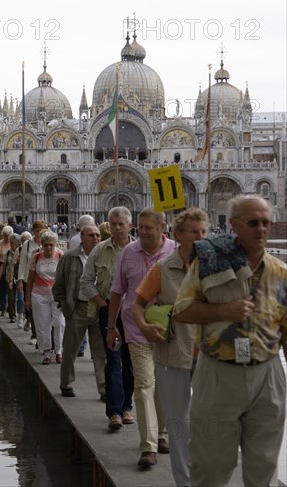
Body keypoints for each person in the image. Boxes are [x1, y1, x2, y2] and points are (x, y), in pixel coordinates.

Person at [173, 195, 287, 487]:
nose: (261, 229)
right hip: (219, 374)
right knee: (211, 466)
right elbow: (182, 310)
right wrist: (223, 311)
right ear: (234, 225)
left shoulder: (281, 272)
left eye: (266, 222)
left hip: (268, 374)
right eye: (253, 222)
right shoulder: (209, 261)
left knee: (264, 466)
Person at [132, 208, 209, 486]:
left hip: (210, 357)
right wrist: (143, 327)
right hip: (173, 353)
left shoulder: (215, 266)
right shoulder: (163, 268)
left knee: (210, 421)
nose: (200, 237)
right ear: (177, 235)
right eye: (194, 232)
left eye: (204, 231)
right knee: (178, 425)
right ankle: (185, 482)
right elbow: (137, 304)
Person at [107, 208, 176, 468]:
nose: (143, 231)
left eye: (149, 227)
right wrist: (111, 327)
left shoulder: (175, 250)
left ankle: (163, 434)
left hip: (168, 332)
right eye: (141, 226)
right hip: (136, 329)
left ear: (162, 228)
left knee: (163, 384)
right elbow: (117, 291)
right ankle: (148, 447)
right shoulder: (128, 252)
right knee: (144, 384)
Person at [80, 207, 135, 430]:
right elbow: (86, 281)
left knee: (131, 363)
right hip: (108, 312)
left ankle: (127, 407)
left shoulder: (139, 250)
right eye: (113, 224)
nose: (117, 228)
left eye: (121, 223)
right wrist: (103, 304)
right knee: (113, 360)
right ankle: (114, 412)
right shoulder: (100, 250)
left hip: (134, 313)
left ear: (131, 226)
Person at [53, 224, 106, 399]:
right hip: (78, 307)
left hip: (99, 308)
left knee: (100, 351)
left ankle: (104, 389)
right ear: (81, 237)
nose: (96, 238)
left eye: (98, 235)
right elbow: (58, 284)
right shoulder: (69, 257)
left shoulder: (105, 256)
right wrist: (64, 304)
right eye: (91, 235)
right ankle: (66, 384)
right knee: (70, 349)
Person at [25, 231, 64, 364]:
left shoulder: (61, 255)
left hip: (57, 295)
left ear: (55, 244)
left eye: (51, 245)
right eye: (45, 245)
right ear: (41, 244)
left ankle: (59, 351)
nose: (48, 248)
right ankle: (46, 352)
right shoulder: (36, 257)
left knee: (59, 323)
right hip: (39, 295)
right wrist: (28, 298)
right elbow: (30, 279)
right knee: (43, 325)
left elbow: (66, 277)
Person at [17, 221, 47, 341]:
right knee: (32, 307)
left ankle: (44, 334)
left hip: (44, 280)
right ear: (33, 231)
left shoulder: (49, 243)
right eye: (36, 231)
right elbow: (22, 263)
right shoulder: (27, 244)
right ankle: (35, 335)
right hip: (29, 280)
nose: (39, 233)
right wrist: (19, 280)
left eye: (41, 230)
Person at [0, 225, 13, 316]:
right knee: (2, 288)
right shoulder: (0, 243)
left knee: (11, 289)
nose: (6, 237)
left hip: (11, 266)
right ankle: (3, 306)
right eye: (4, 235)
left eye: (7, 235)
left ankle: (10, 308)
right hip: (2, 266)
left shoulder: (14, 243)